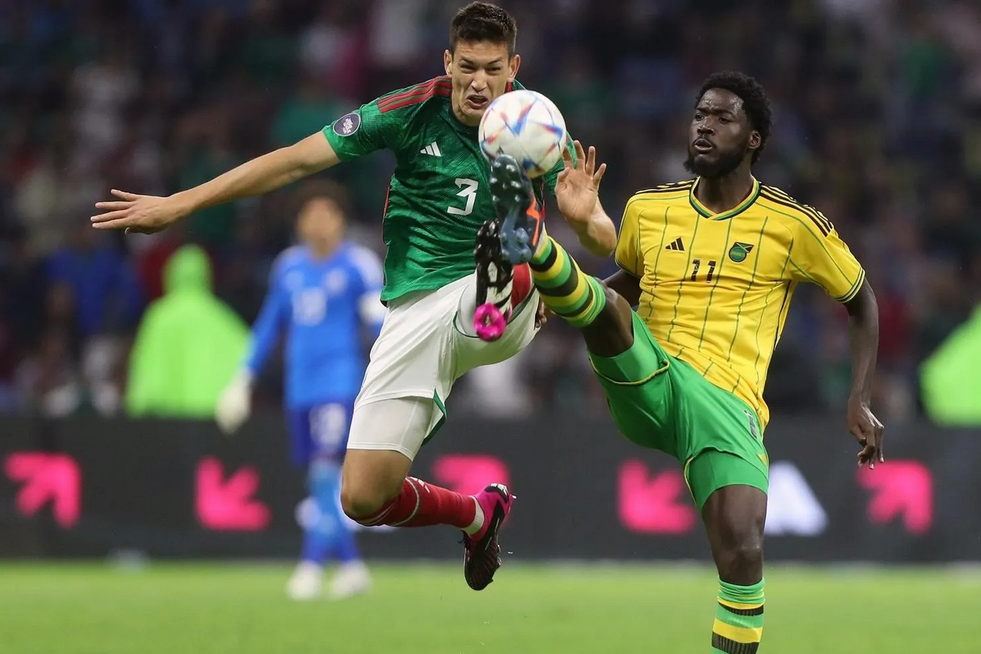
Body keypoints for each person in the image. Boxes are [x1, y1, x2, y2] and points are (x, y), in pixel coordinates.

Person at [92, 2, 611, 590]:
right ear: (448, 60)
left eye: (493, 68)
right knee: (363, 496)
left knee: (509, 250)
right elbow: (294, 161)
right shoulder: (409, 111)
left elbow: (604, 236)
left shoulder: (536, 126)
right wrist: (182, 202)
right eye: (467, 66)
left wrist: (586, 218)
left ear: (513, 67)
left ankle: (504, 269)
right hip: (416, 313)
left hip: (500, 304)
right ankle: (477, 515)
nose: (479, 82)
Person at [490, 72, 886, 654]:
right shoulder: (650, 208)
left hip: (727, 409)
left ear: (753, 138)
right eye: (699, 115)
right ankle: (532, 241)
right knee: (613, 310)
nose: (703, 126)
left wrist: (860, 397)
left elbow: (860, 299)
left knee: (743, 551)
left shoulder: (792, 225)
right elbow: (623, 286)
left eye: (721, 118)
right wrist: (572, 263)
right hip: (650, 376)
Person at [216, 181, 382, 601]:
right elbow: (270, 324)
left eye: (328, 213)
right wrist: (243, 378)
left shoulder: (358, 266)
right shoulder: (288, 268)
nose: (319, 222)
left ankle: (310, 566)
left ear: (341, 221)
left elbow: (382, 325)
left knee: (326, 470)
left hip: (339, 384)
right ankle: (350, 567)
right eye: (311, 214)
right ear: (300, 222)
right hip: (299, 389)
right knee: (318, 479)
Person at [125, 244, 249, 418]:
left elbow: (147, 369)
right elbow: (247, 354)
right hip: (210, 418)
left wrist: (137, 406)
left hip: (167, 422)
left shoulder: (160, 316)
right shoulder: (221, 315)